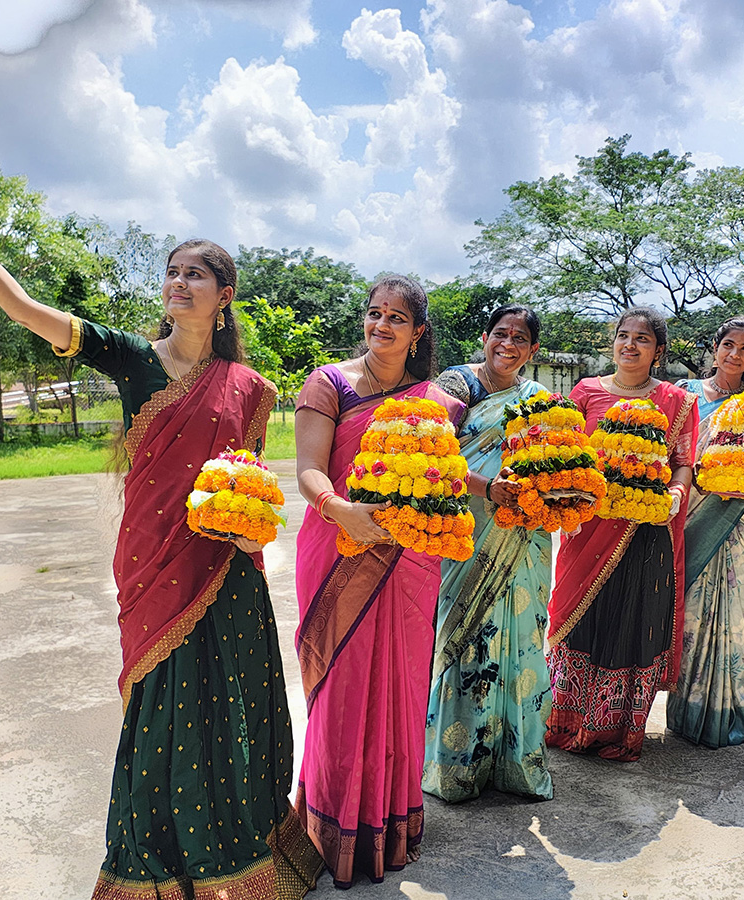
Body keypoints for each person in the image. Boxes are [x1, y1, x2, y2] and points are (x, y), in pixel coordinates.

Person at [0, 147, 321, 899]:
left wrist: (255, 534)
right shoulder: (132, 359)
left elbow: (253, 486)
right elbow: (27, 310)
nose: (177, 281)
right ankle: (157, 867)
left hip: (228, 570)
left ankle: (245, 855)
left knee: (231, 704)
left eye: (194, 272)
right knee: (166, 712)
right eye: (171, 271)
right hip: (154, 566)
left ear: (223, 293)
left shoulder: (250, 387)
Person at [292, 275, 464, 888]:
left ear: (418, 333)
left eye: (396, 317)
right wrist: (342, 511)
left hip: (412, 560)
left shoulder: (441, 405)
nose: (381, 325)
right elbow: (308, 468)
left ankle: (390, 820)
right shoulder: (329, 384)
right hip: (338, 543)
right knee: (342, 685)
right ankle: (331, 823)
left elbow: (449, 481)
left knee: (400, 682)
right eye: (373, 314)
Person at [545, 307, 699, 762]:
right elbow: (567, 452)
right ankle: (568, 722)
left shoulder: (677, 400)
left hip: (646, 529)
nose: (630, 345)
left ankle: (619, 729)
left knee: (634, 620)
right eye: (623, 336)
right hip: (588, 527)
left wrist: (674, 494)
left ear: (659, 350)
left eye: (642, 339)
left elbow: (683, 462)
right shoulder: (586, 391)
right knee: (579, 618)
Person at [422, 305, 555, 802]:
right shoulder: (457, 386)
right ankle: (456, 767)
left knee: (521, 635)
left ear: (533, 349)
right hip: (467, 528)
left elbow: (557, 458)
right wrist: (485, 487)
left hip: (524, 535)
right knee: (462, 633)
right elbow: (430, 452)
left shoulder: (539, 399)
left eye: (521, 338)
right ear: (484, 337)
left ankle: (515, 763)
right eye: (501, 334)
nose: (509, 344)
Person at [668, 316, 744, 747]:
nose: (734, 354)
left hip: (737, 516)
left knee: (737, 605)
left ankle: (728, 710)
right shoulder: (685, 396)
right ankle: (687, 712)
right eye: (728, 345)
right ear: (714, 347)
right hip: (690, 513)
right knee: (689, 612)